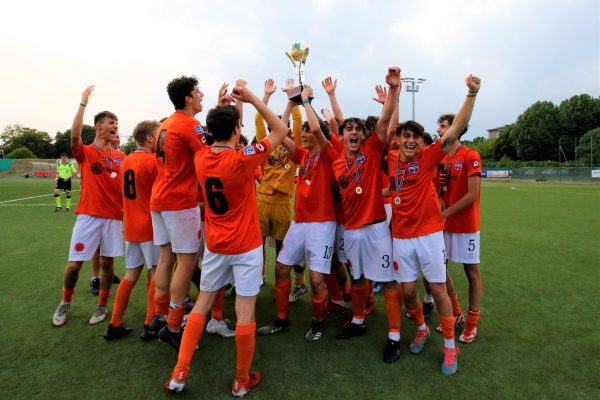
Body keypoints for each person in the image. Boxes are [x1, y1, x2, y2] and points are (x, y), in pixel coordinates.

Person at [164, 83, 289, 396]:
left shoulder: (201, 158)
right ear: (237, 130)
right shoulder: (243, 159)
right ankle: (241, 380)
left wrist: (229, 110)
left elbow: (220, 140)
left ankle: (180, 372)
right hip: (245, 246)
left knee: (202, 305)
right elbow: (280, 128)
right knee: (245, 312)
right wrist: (252, 99)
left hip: (217, 245)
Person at [388, 74, 481, 375]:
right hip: (401, 236)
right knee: (407, 292)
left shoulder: (428, 157)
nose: (411, 141)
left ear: (420, 141)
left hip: (428, 235)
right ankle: (421, 328)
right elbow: (386, 126)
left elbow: (454, 130)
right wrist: (395, 93)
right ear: (399, 140)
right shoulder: (389, 158)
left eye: (416, 136)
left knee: (439, 291)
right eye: (406, 136)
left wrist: (471, 93)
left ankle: (450, 349)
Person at [332, 67, 404, 364]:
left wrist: (394, 91)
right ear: (342, 135)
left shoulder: (373, 150)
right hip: (351, 231)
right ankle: (359, 321)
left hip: (376, 228)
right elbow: (331, 125)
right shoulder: (337, 163)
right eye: (348, 128)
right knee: (358, 278)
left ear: (364, 135)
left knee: (387, 281)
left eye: (357, 129)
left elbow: (385, 121)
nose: (353, 132)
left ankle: (395, 336)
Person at [257, 84, 338, 341]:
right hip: (300, 223)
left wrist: (307, 101)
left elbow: (316, 127)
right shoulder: (302, 156)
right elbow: (279, 133)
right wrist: (290, 104)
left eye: (307, 133)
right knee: (281, 268)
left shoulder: (329, 155)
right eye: (301, 132)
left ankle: (318, 323)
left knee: (316, 281)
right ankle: (281, 318)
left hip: (323, 225)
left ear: (320, 137)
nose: (304, 135)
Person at [52, 85, 124, 326]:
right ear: (99, 126)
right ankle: (65, 303)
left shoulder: (121, 157)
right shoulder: (86, 152)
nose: (115, 125)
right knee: (74, 265)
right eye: (111, 122)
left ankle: (102, 305)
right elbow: (74, 137)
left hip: (114, 217)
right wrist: (83, 103)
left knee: (107, 263)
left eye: (117, 122)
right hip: (88, 216)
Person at [148, 75, 208, 351]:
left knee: (165, 257)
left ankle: (159, 317)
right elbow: (211, 156)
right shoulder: (189, 124)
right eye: (198, 92)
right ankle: (173, 325)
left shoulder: (164, 125)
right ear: (187, 98)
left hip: (159, 198)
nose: (201, 96)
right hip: (179, 201)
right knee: (185, 262)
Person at [103, 120, 161, 341]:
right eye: (158, 135)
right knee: (157, 271)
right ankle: (149, 323)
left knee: (131, 273)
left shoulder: (125, 161)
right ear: (149, 138)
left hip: (131, 227)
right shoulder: (152, 161)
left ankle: (114, 323)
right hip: (150, 226)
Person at [255, 78, 305, 300]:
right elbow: (258, 119)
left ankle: (297, 282)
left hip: (283, 202)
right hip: (263, 201)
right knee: (258, 245)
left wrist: (291, 98)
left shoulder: (295, 150)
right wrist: (266, 95)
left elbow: (295, 120)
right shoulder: (265, 146)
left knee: (283, 247)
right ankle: (258, 276)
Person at [437, 113, 483, 344]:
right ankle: (456, 314)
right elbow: (439, 194)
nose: (438, 130)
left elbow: (473, 194)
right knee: (439, 269)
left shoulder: (470, 155)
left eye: (443, 126)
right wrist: (440, 194)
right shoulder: (443, 158)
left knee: (471, 273)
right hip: (446, 225)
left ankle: (472, 324)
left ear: (456, 129)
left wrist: (447, 212)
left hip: (466, 226)